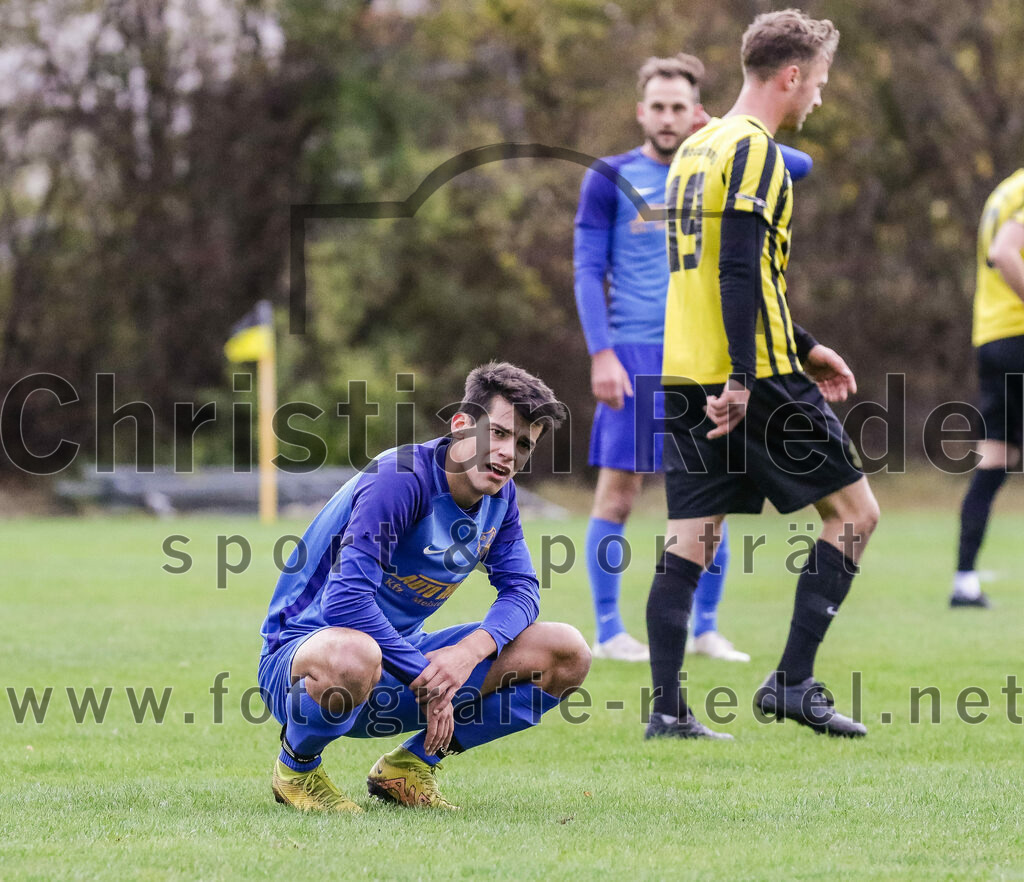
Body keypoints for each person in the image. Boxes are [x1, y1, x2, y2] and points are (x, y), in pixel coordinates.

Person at [646, 8, 880, 741]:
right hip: (754, 377)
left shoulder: (695, 148)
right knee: (855, 516)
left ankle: (667, 711)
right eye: (819, 81)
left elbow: (726, 268)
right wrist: (748, 376)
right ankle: (792, 683)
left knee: (692, 536)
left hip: (686, 368)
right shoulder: (750, 149)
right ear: (790, 75)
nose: (819, 96)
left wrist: (807, 340)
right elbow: (741, 267)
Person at [257, 362, 591, 811]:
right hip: (306, 665)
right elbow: (345, 600)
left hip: (397, 668)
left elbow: (523, 591)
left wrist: (467, 653)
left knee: (567, 652)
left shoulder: (500, 497)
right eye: (499, 433)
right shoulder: (400, 477)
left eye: (524, 444)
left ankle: (409, 767)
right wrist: (424, 676)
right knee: (355, 653)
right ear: (460, 426)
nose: (510, 453)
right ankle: (297, 767)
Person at [573, 55, 812, 663]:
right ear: (640, 111)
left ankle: (706, 628)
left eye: (680, 107)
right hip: (632, 354)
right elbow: (586, 269)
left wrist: (717, 132)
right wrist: (601, 352)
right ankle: (608, 631)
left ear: (695, 110)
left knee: (712, 503)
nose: (668, 117)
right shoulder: (610, 177)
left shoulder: (716, 160)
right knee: (618, 497)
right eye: (658, 106)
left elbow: (802, 164)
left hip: (701, 356)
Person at [951, 168, 1024, 608]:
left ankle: (964, 582)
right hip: (1019, 335)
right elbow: (1004, 252)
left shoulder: (1006, 189)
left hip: (993, 337)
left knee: (995, 459)